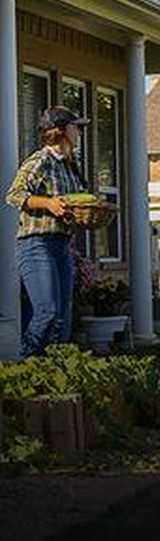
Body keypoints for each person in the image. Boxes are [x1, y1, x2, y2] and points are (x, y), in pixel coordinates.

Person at [5, 106, 90, 357]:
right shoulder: (40, 160)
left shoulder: (70, 165)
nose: (80, 133)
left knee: (62, 316)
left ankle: (53, 371)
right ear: (62, 130)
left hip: (61, 245)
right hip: (36, 244)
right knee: (47, 311)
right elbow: (14, 195)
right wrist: (49, 203)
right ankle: (25, 364)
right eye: (77, 127)